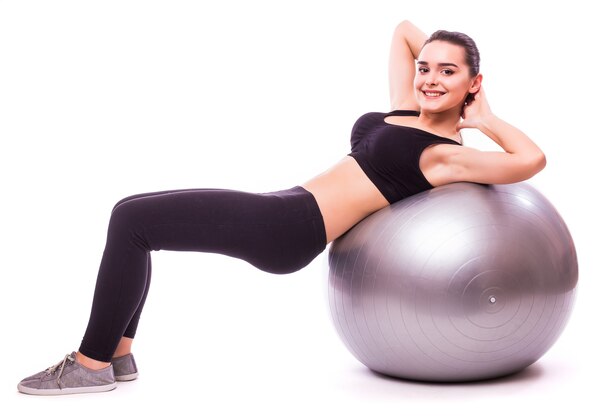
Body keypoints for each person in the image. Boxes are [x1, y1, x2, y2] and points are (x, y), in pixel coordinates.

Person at [17, 20, 545, 395]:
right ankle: (117, 354)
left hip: (290, 227)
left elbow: (531, 158)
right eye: (425, 68)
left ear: (473, 84)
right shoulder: (408, 113)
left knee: (131, 221)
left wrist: (487, 115)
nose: (429, 79)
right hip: (287, 205)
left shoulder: (445, 157)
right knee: (131, 210)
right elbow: (404, 29)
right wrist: (445, 61)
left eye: (447, 73)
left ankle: (89, 363)